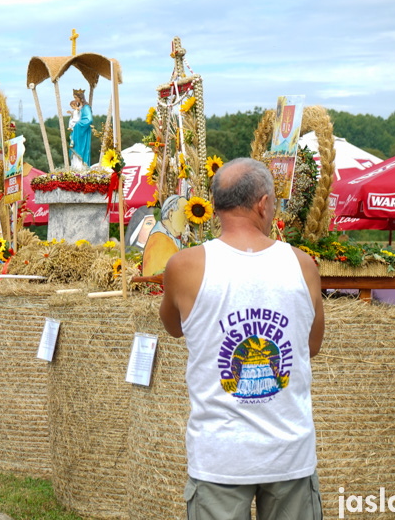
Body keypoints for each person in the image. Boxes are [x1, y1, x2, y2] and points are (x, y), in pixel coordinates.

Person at [159, 157, 325, 520]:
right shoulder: (302, 265)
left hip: (219, 455)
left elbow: (173, 327)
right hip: (289, 453)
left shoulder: (184, 267)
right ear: (264, 204)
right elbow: (310, 346)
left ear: (214, 205)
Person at [141, 194, 187, 276]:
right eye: (184, 213)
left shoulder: (166, 236)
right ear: (171, 214)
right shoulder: (160, 241)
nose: (187, 219)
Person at [69, 89, 92, 169]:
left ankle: (80, 168)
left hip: (82, 132)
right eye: (74, 97)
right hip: (76, 132)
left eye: (76, 97)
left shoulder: (86, 107)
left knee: (80, 150)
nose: (75, 99)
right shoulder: (79, 108)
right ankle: (75, 168)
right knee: (74, 150)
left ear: (80, 97)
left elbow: (89, 119)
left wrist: (77, 124)